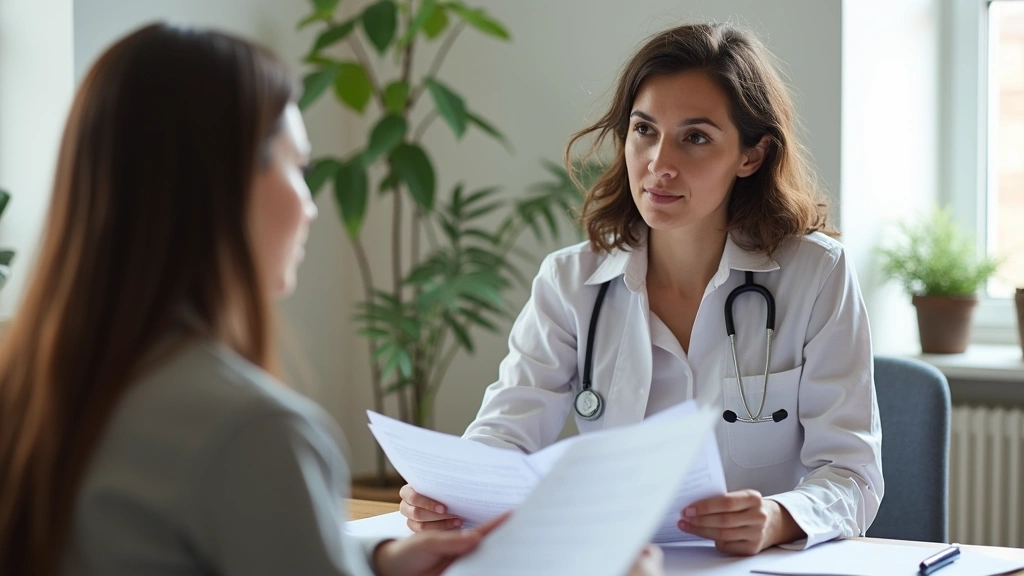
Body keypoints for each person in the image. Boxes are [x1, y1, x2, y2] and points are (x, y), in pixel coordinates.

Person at [0, 23, 662, 576]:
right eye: (300, 166)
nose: (314, 205)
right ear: (225, 185)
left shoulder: (26, 382)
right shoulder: (252, 431)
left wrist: (372, 565)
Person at [399, 22, 884, 557]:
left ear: (751, 155)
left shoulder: (816, 275)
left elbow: (853, 474)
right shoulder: (570, 283)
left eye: (695, 137)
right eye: (644, 130)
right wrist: (450, 494)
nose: (659, 164)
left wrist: (778, 517)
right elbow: (505, 432)